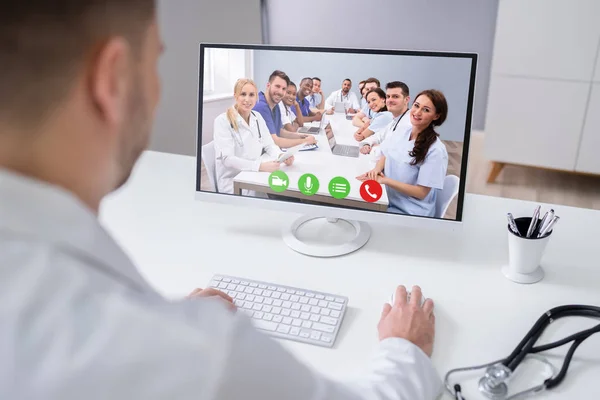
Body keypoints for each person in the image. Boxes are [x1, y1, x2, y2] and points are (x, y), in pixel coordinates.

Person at [0, 1, 442, 399]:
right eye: (155, 63)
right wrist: (405, 351)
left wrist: (168, 325)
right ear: (112, 80)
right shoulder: (196, 355)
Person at [357, 90, 449, 217]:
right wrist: (377, 169)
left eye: (426, 110)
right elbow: (387, 153)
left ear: (436, 116)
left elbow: (422, 192)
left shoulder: (436, 150)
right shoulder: (403, 131)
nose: (417, 112)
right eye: (416, 106)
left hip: (409, 211)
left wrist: (385, 180)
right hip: (388, 197)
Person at [213, 79, 292, 195]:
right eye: (243, 94)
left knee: (284, 188)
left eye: (251, 95)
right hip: (234, 182)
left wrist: (281, 155)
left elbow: (269, 145)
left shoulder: (257, 117)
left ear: (256, 98)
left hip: (255, 174)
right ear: (236, 96)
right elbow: (227, 160)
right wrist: (259, 166)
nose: (247, 99)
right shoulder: (222, 121)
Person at [253, 71, 314, 149]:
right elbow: (275, 141)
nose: (280, 92)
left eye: (284, 89)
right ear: (268, 85)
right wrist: (305, 141)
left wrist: (302, 136)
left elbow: (279, 131)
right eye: (277, 86)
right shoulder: (261, 106)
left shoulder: (275, 105)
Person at [360, 81, 412, 155]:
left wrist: (375, 147)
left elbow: (390, 152)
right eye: (388, 96)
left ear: (406, 100)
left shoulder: (408, 124)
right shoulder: (395, 120)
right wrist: (367, 144)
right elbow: (378, 136)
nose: (390, 100)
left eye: (395, 96)